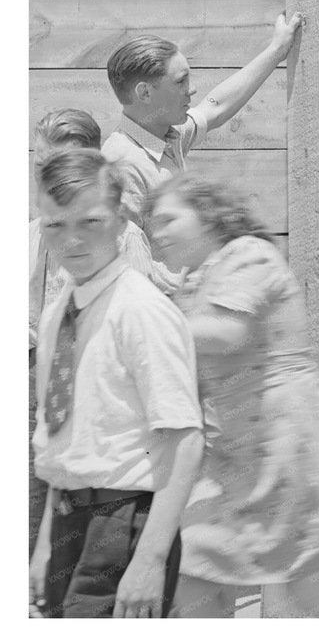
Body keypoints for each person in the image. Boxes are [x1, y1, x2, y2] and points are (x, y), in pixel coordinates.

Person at [145, 176, 319, 617]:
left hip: (285, 448)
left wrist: (138, 324)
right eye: (153, 224)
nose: (158, 234)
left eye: (169, 219)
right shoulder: (195, 279)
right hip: (232, 454)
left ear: (210, 215)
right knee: (195, 570)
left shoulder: (248, 254)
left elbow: (227, 333)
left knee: (308, 592)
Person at [30, 149, 204, 618]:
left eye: (90, 221)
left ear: (122, 219)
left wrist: (149, 560)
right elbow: (60, 441)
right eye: (54, 225)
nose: (72, 241)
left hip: (124, 522)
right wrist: (46, 545)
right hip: (69, 517)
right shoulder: (57, 313)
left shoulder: (141, 311)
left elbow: (184, 440)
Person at [28, 110, 163, 557]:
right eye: (41, 167)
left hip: (101, 396)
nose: (52, 181)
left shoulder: (124, 239)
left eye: (62, 168)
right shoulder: (30, 235)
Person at [102, 18, 305, 232]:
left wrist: (278, 48)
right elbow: (128, 254)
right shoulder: (121, 167)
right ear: (145, 93)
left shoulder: (166, 134)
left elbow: (216, 108)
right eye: (181, 81)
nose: (192, 89)